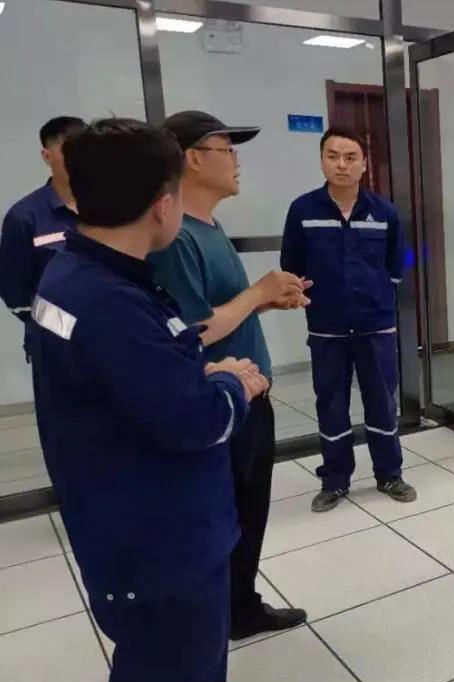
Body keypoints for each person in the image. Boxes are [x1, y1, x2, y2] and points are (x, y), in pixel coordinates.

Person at [29, 117, 270, 682]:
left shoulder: (70, 275)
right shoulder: (110, 301)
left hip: (121, 523)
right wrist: (232, 384)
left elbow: (125, 379)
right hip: (161, 545)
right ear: (163, 205)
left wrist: (191, 369)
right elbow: (196, 420)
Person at [149, 111, 309, 648]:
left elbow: (221, 311)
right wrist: (258, 292)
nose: (237, 160)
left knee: (250, 512)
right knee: (221, 524)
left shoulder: (209, 227)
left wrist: (266, 301)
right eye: (227, 149)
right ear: (192, 159)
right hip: (217, 403)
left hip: (249, 396)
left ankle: (241, 608)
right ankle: (209, 632)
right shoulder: (177, 239)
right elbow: (192, 331)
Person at [281, 126, 416, 513]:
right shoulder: (303, 210)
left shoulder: (384, 212)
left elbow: (397, 264)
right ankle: (335, 479)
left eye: (350, 157)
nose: (342, 164)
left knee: (381, 403)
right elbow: (291, 264)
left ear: (364, 164)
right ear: (322, 161)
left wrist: (374, 294)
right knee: (331, 403)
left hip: (376, 326)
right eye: (333, 156)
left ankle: (389, 473)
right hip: (327, 328)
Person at [0, 116, 85, 355]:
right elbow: (17, 299)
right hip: (57, 351)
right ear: (47, 157)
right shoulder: (24, 218)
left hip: (115, 341)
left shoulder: (111, 208)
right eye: (69, 151)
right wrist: (72, 328)